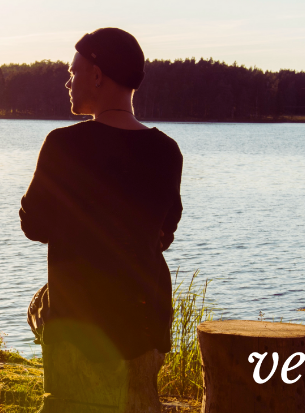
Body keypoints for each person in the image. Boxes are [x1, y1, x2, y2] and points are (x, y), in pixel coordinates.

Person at [20, 28, 183, 411]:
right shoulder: (167, 151)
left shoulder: (63, 145)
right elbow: (164, 232)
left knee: (40, 306)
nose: (68, 81)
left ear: (97, 75)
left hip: (83, 322)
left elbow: (34, 225)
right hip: (147, 319)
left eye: (73, 72)